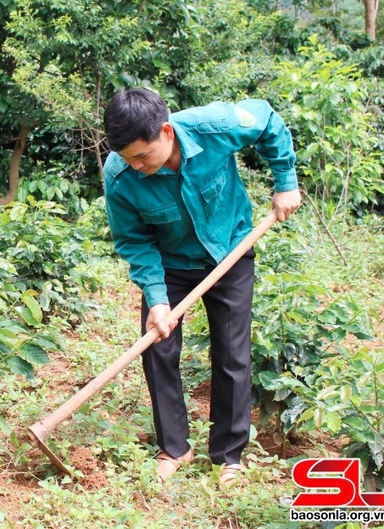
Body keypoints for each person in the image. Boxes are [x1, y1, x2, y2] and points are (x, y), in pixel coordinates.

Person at [102, 88, 301, 486]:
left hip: (230, 251)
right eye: (129, 159)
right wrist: (156, 300)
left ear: (166, 131)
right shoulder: (120, 175)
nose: (137, 166)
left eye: (143, 155)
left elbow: (266, 120)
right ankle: (175, 448)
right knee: (158, 347)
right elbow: (134, 241)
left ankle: (228, 456)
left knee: (232, 354)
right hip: (171, 265)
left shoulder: (214, 127)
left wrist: (286, 182)